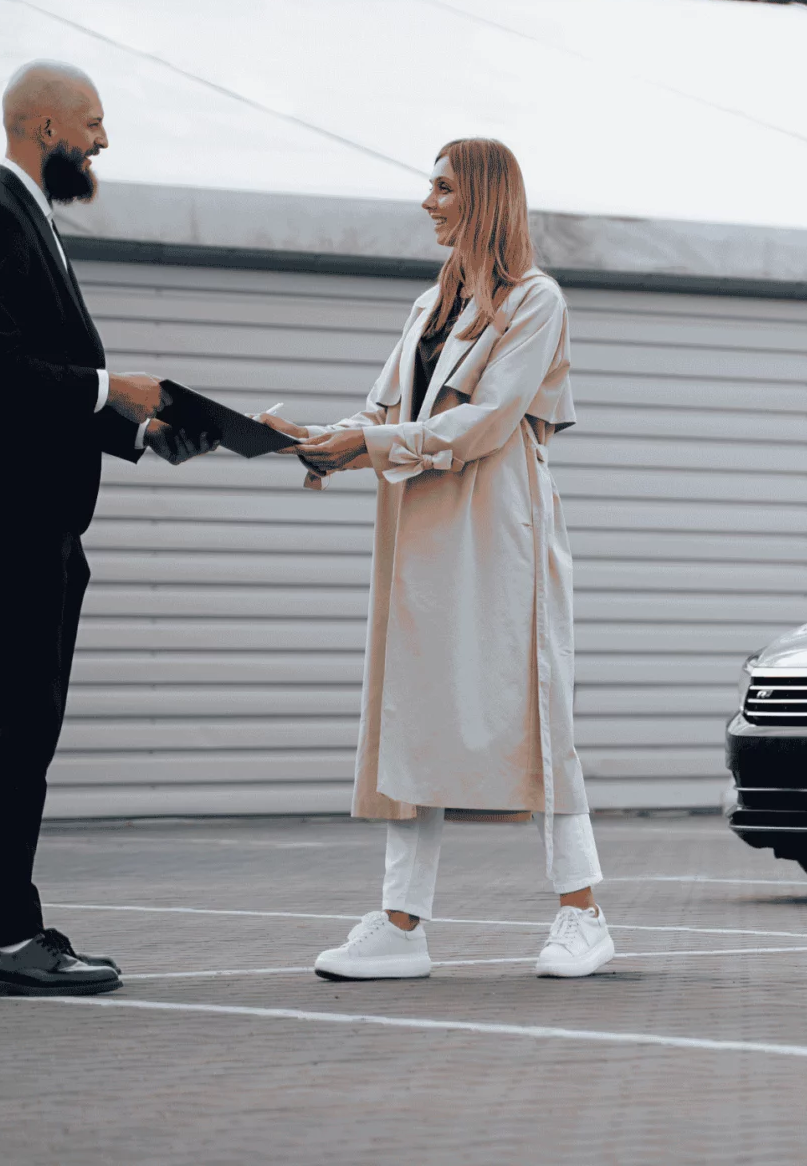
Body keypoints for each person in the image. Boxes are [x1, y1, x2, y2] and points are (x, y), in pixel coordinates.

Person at [267, 138, 612, 981]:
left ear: (484, 196)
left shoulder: (537, 300)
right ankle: (400, 926)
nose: (428, 202)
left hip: (501, 531)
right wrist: (313, 441)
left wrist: (369, 444)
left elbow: (488, 421)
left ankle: (584, 914)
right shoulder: (429, 305)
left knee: (537, 711)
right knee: (411, 715)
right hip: (421, 529)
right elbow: (383, 412)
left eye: (444, 188)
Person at [0, 60, 204, 998]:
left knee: (31, 730)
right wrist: (111, 385)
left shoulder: (33, 222)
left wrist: (143, 432)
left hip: (41, 523)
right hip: (6, 521)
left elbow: (43, 383)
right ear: (45, 126)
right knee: (18, 727)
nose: (101, 141)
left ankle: (14, 929)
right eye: (91, 123)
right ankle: (8, 940)